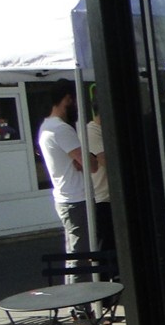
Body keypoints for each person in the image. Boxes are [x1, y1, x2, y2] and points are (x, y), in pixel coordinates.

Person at [38, 79, 96, 280]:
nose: (77, 107)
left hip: (68, 197)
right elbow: (90, 164)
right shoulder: (61, 129)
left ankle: (79, 296)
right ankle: (79, 299)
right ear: (68, 99)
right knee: (80, 255)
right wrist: (88, 158)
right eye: (76, 101)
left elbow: (82, 162)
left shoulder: (47, 126)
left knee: (77, 252)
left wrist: (82, 160)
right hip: (75, 198)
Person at [85, 88, 116, 276]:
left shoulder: (107, 131)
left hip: (113, 198)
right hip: (102, 199)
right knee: (105, 247)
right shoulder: (92, 131)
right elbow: (106, 161)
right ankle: (104, 286)